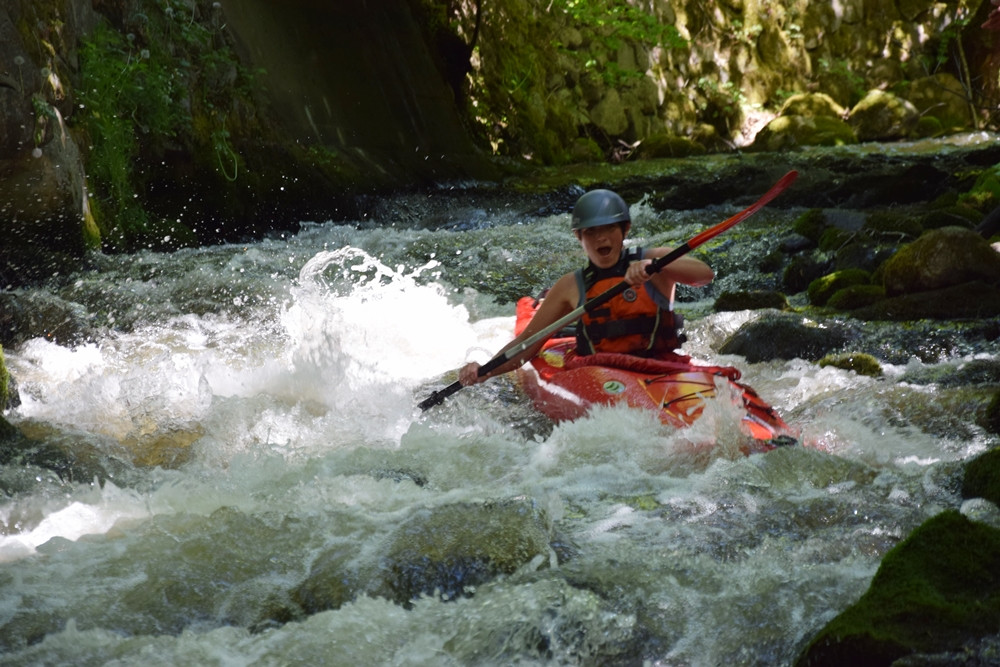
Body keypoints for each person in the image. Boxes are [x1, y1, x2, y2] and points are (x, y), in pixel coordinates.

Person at [458, 189, 714, 387]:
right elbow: (527, 345)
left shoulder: (657, 260)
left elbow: (704, 275)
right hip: (600, 371)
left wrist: (656, 266)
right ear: (579, 237)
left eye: (609, 228)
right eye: (591, 232)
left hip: (660, 367)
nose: (600, 238)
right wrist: (484, 371)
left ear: (625, 229)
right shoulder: (571, 286)